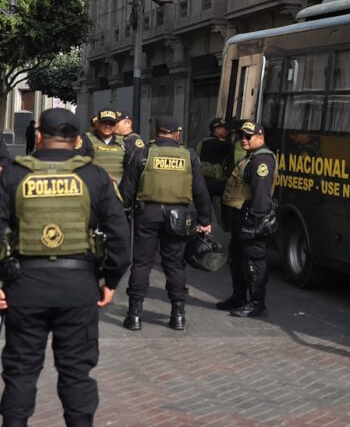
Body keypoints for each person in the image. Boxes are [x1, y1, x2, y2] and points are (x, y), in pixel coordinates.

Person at [0, 108, 130, 427]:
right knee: (76, 374)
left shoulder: (14, 174)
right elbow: (120, 235)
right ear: (78, 140)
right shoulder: (94, 176)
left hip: (24, 287)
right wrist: (111, 281)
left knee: (20, 373)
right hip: (78, 288)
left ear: (38, 136)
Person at [119, 116, 212, 331]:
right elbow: (201, 191)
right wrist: (205, 220)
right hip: (179, 218)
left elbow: (127, 190)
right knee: (175, 264)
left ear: (155, 132)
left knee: (142, 263)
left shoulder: (143, 154)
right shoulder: (189, 156)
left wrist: (121, 215)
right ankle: (178, 315)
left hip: (147, 215)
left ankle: (134, 316)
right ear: (177, 133)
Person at [218, 120, 278, 317]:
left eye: (248, 136)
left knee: (253, 261)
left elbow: (261, 196)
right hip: (241, 218)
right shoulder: (250, 158)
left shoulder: (262, 161)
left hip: (252, 219)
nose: (243, 140)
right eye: (241, 136)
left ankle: (257, 302)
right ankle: (239, 297)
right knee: (236, 259)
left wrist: (253, 224)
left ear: (260, 137)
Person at [77, 108, 125, 183]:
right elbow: (77, 165)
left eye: (111, 123)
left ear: (116, 126)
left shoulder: (123, 142)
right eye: (104, 122)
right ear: (97, 123)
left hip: (117, 190)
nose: (107, 126)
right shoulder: (85, 140)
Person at [196, 117, 234, 198]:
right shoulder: (219, 144)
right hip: (213, 181)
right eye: (225, 129)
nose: (228, 131)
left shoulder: (205, 142)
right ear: (217, 130)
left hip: (203, 181)